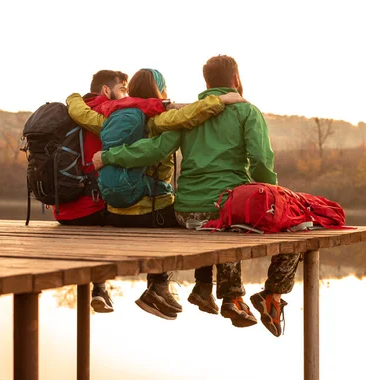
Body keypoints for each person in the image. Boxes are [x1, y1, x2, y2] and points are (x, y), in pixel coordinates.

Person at [93, 55, 302, 336]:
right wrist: (274, 197)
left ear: (206, 81)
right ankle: (268, 296)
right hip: (224, 209)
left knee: (226, 216)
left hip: (185, 211)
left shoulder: (191, 114)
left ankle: (232, 296)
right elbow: (261, 162)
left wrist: (108, 156)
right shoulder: (247, 112)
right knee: (294, 229)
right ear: (236, 79)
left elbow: (153, 150)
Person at [66, 68, 246, 320]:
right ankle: (165, 286)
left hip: (115, 213)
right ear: (157, 90)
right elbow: (186, 117)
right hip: (151, 213)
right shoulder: (158, 121)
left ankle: (138, 288)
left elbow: (80, 112)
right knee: (196, 219)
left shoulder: (109, 117)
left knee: (179, 212)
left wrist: (73, 97)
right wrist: (220, 100)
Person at [57, 69, 128, 314]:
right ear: (106, 90)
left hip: (63, 209)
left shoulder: (70, 113)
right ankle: (100, 288)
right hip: (93, 208)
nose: (125, 94)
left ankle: (100, 288)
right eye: (122, 88)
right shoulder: (109, 111)